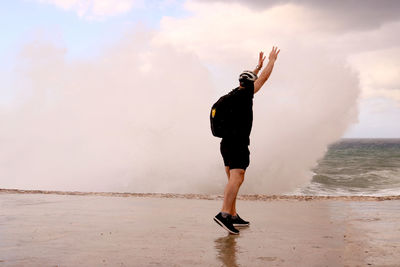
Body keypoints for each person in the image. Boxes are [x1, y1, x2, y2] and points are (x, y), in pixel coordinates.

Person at [214, 46, 280, 234]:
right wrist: (271, 62)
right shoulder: (244, 96)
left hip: (226, 143)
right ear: (250, 84)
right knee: (237, 177)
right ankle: (224, 214)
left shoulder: (234, 93)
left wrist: (256, 68)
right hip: (237, 143)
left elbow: (252, 78)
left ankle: (233, 215)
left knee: (233, 179)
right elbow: (264, 79)